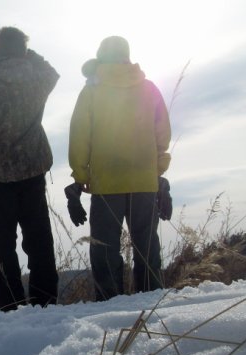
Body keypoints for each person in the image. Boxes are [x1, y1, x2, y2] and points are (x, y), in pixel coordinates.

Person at [0, 27, 59, 311]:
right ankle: (45, 304)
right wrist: (30, 55)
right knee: (39, 240)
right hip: (33, 170)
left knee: (3, 246)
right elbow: (52, 72)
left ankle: (11, 307)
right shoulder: (36, 76)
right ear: (23, 49)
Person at [68, 36, 172, 301]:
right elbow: (162, 132)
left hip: (106, 183)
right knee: (147, 248)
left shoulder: (92, 91)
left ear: (101, 56)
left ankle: (110, 305)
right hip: (144, 181)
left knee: (104, 249)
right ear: (127, 55)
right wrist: (157, 169)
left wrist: (80, 175)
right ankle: (151, 300)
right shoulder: (149, 88)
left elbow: (80, 136)